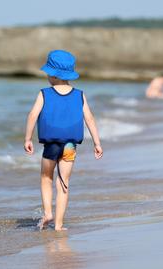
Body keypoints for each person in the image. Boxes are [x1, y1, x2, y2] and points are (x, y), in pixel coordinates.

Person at [24, 50, 103, 231]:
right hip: (69, 146)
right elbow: (89, 118)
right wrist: (97, 143)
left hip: (51, 144)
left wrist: (28, 138)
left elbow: (32, 115)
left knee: (46, 177)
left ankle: (47, 213)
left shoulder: (44, 94)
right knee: (63, 183)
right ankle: (58, 225)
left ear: (52, 74)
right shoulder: (79, 94)